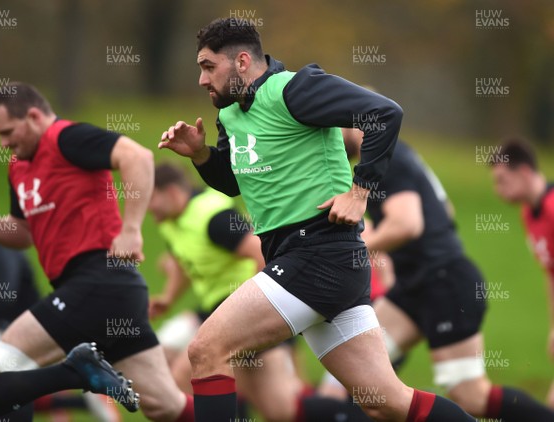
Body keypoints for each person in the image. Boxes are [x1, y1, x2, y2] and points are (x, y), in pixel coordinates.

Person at [159, 17, 475, 421]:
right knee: (385, 402)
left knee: (206, 349)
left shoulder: (294, 88)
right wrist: (202, 155)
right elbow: (236, 183)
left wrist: (360, 192)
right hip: (311, 262)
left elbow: (384, 113)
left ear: (241, 61)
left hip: (318, 254)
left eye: (208, 66)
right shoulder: (231, 116)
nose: (202, 80)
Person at [0, 83, 194, 422]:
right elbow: (25, 231)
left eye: (7, 132)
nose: (3, 143)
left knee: (0, 369)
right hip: (110, 294)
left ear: (33, 116)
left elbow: (138, 156)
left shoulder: (65, 137)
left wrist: (131, 229)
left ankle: (79, 372)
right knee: (166, 405)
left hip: (97, 282)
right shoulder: (18, 166)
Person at [344, 128, 554, 420]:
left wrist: (354, 247)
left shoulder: (386, 157)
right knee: (355, 376)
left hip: (444, 284)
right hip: (412, 286)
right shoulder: (398, 155)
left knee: (470, 396)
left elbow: (407, 224)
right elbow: (446, 209)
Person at [150, 163, 367, 421]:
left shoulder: (211, 218)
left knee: (186, 376)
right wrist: (168, 297)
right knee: (278, 410)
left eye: (151, 199)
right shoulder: (171, 223)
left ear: (172, 192)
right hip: (222, 310)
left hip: (248, 308)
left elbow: (258, 252)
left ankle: (360, 414)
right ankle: (357, 413)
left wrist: (253, 308)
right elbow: (183, 260)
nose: (148, 208)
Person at [0, 160, 136, 422]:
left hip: (6, 322)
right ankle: (75, 381)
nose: (5, 145)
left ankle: (74, 385)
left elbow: (6, 291)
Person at [491, 139, 554, 409]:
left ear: (525, 173)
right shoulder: (529, 213)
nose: (498, 190)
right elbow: (550, 274)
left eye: (502, 180)